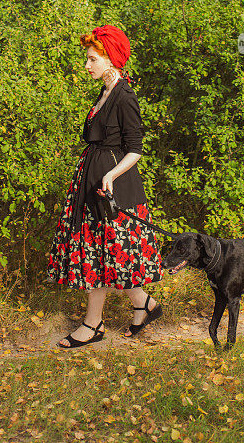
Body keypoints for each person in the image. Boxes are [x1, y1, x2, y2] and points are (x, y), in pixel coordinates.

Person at [46, 24, 163, 348]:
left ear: (110, 59)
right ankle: (144, 305)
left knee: (105, 254)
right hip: (93, 182)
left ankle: (93, 324)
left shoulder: (124, 95)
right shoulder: (106, 89)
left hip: (114, 188)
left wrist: (110, 176)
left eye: (92, 59)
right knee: (106, 254)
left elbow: (136, 148)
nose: (87, 65)